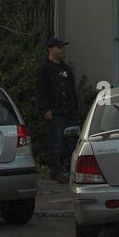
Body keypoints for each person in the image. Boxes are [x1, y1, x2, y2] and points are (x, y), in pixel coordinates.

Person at [35, 38, 78, 183]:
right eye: (59, 48)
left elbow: (71, 90)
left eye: (62, 48)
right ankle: (56, 172)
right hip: (55, 113)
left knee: (71, 144)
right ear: (51, 49)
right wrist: (46, 109)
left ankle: (72, 171)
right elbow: (41, 91)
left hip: (69, 113)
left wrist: (74, 109)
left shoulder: (66, 69)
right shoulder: (45, 69)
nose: (62, 51)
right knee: (55, 143)